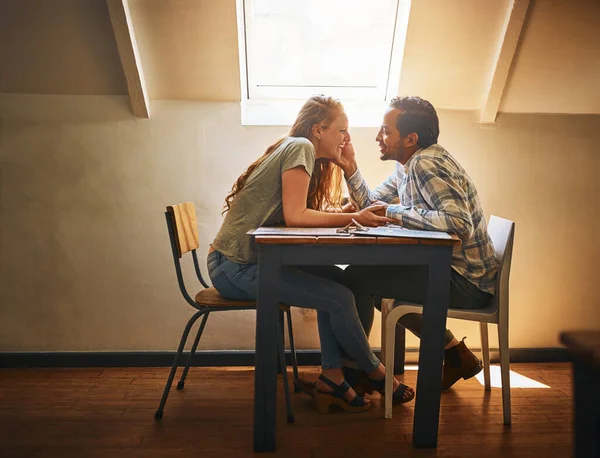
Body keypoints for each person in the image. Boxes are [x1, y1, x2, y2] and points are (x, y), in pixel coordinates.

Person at [207, 95, 415, 412]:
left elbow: (299, 214)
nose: (347, 139)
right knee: (339, 298)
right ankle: (376, 372)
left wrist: (343, 210)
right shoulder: (300, 147)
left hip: (246, 262)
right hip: (234, 267)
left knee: (341, 283)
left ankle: (332, 375)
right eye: (342, 130)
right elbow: (296, 217)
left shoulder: (298, 148)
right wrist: (354, 218)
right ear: (319, 130)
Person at [335, 96, 498, 390]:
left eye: (386, 131)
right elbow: (373, 204)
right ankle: (453, 353)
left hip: (467, 283)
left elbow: (458, 223)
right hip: (454, 272)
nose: (378, 137)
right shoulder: (408, 164)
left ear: (410, 138)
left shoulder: (426, 164)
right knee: (366, 279)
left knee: (356, 279)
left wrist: (393, 213)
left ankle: (355, 373)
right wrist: (351, 168)